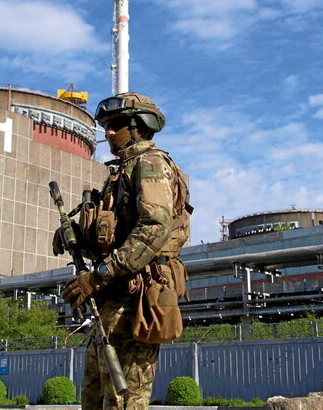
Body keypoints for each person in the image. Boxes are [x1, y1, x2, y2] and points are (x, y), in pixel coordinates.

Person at [54, 92, 191, 410]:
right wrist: (75, 235)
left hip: (136, 298)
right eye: (106, 126)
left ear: (139, 127)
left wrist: (99, 275)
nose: (108, 132)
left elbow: (154, 228)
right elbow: (115, 235)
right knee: (93, 393)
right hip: (113, 298)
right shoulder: (121, 172)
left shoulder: (150, 164)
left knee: (124, 398)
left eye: (116, 125)